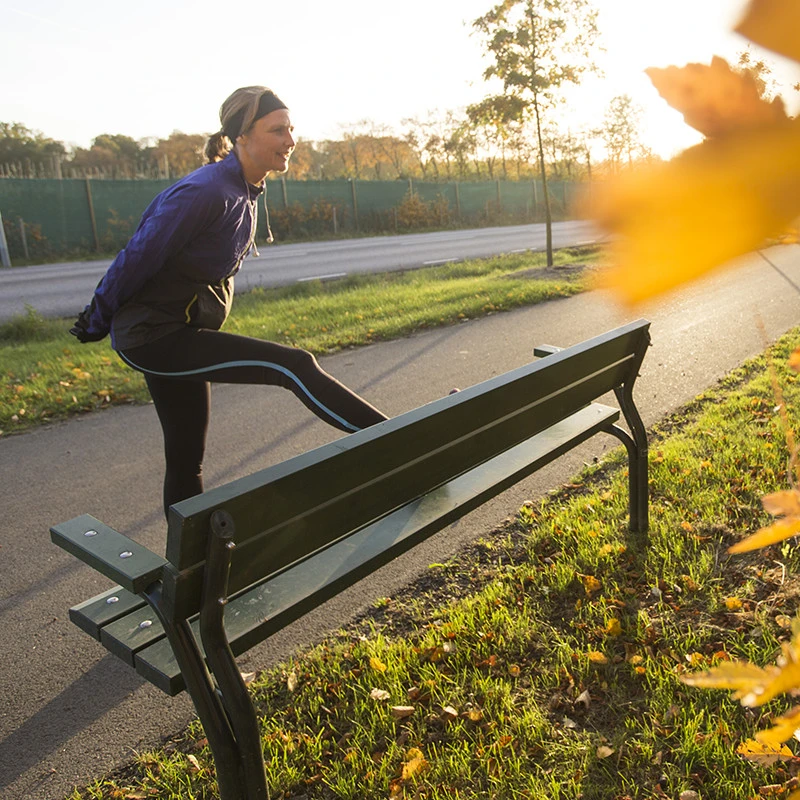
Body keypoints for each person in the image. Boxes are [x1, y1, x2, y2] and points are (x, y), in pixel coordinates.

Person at [70, 85, 388, 518]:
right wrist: (96, 317)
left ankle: (189, 558)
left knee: (186, 458)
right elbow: (139, 255)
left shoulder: (244, 188)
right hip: (154, 336)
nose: (290, 140)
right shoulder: (206, 191)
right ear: (242, 135)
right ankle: (398, 443)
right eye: (277, 130)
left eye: (291, 129)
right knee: (293, 365)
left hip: (178, 332)